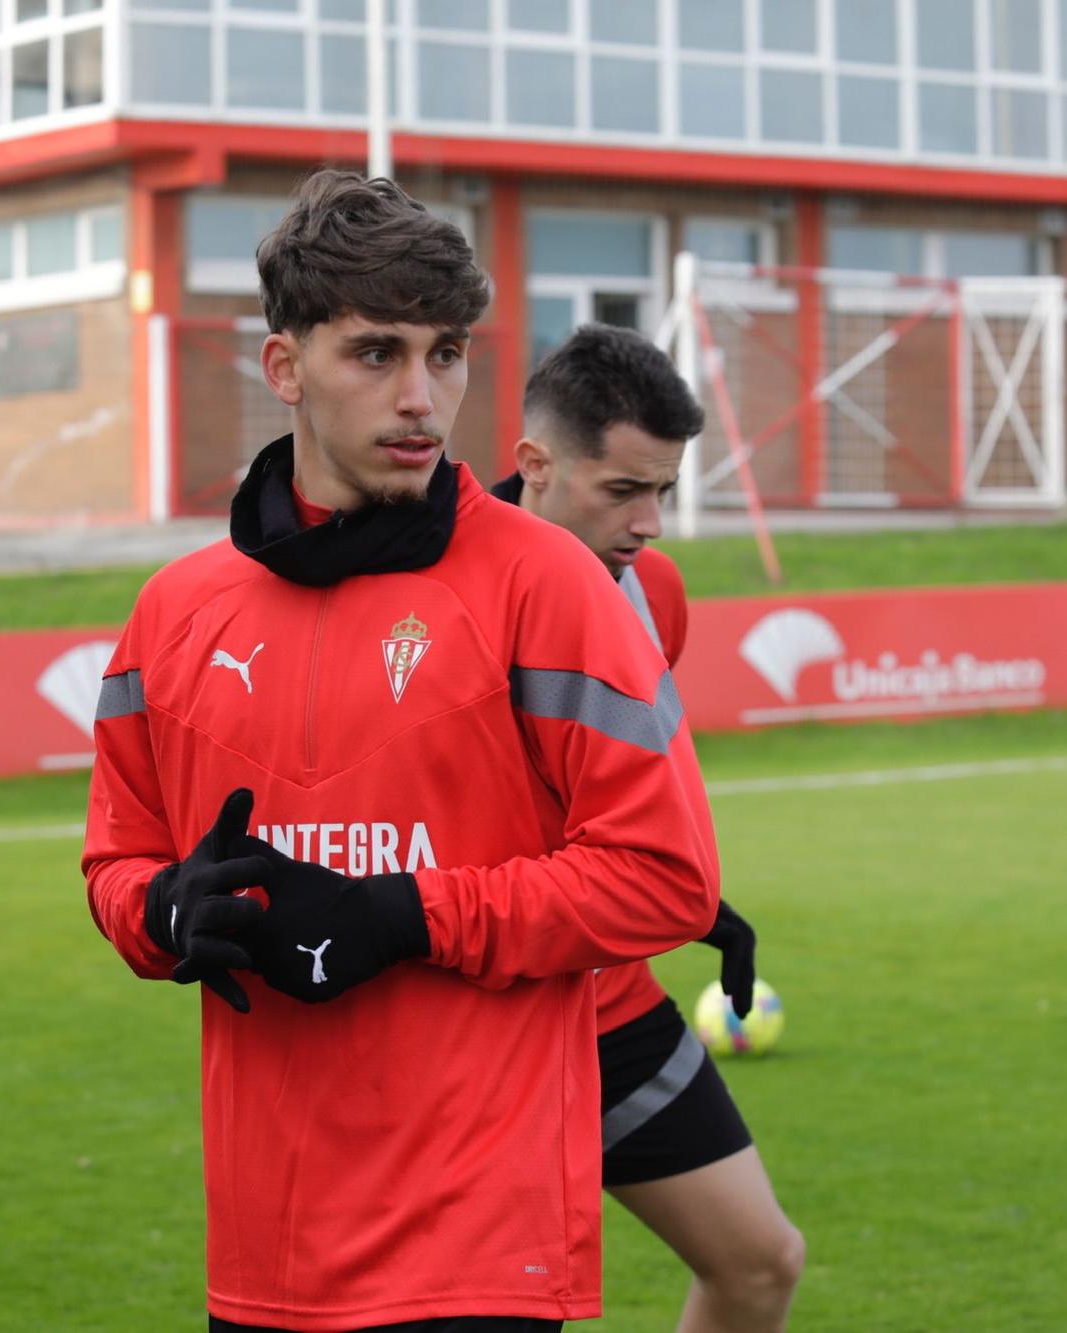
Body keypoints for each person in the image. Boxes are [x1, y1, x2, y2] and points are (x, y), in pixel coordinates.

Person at [82, 171, 721, 1333]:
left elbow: (664, 876)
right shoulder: (172, 615)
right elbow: (115, 867)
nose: (422, 397)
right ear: (285, 369)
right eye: (375, 354)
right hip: (268, 1245)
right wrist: (169, 914)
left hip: (477, 1238)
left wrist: (408, 914)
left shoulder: (549, 584)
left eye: (446, 353)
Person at [493, 325, 806, 1333]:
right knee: (491, 1305)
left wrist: (676, 891)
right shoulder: (432, 590)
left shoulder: (654, 597)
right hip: (471, 1018)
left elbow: (610, 795)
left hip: (602, 1002)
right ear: (534, 466)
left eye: (662, 490)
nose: (650, 522)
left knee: (759, 1262)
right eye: (622, 491)